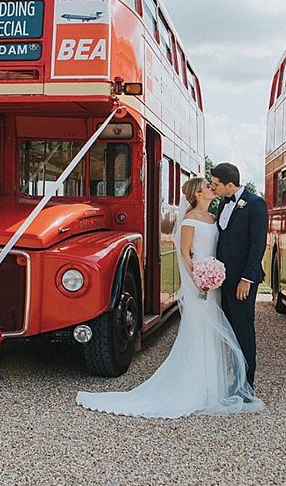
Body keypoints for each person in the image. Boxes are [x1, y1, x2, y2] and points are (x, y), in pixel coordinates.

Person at [76, 176, 263, 418]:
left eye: (212, 184)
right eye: (208, 186)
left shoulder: (214, 219)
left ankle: (214, 389)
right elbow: (184, 253)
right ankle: (195, 389)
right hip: (200, 286)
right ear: (197, 194)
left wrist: (214, 276)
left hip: (213, 286)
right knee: (199, 333)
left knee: (214, 335)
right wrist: (198, 278)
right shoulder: (190, 221)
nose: (212, 188)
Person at [210, 162, 269, 388]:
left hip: (242, 282)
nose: (213, 188)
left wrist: (247, 279)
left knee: (243, 330)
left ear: (230, 185)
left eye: (216, 184)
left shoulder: (255, 204)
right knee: (230, 330)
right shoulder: (223, 203)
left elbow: (258, 245)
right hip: (223, 280)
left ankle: (247, 384)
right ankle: (234, 378)